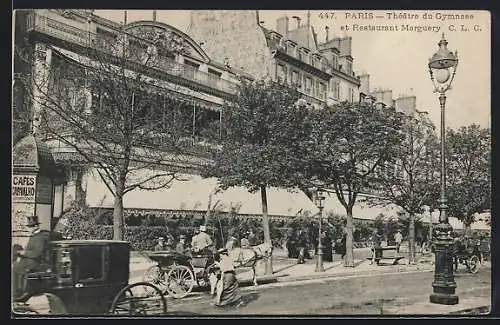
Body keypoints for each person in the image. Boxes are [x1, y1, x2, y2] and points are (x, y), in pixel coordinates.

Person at [12, 215, 51, 299]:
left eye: (32, 226)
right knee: (15, 263)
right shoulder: (34, 236)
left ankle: (18, 292)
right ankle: (17, 290)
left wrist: (24, 253)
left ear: (37, 226)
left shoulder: (40, 237)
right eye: (29, 226)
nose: (30, 228)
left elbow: (37, 253)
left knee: (16, 267)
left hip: (35, 261)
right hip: (29, 259)